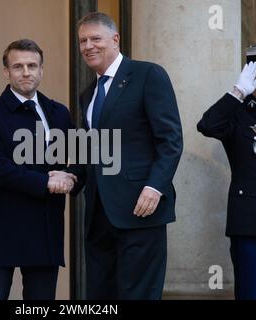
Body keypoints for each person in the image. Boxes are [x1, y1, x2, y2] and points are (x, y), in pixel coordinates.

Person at [67, 12, 183, 299]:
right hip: (99, 215)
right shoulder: (88, 94)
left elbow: (170, 139)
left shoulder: (147, 75)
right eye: (83, 40)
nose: (88, 46)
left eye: (96, 38)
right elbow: (91, 147)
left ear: (115, 39)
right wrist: (70, 175)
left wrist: (155, 186)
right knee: (100, 296)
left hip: (141, 210)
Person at [0, 39, 77, 300]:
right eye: (18, 66)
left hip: (45, 228)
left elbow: (75, 158)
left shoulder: (59, 113)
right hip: (1, 229)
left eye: (32, 65)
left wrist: (72, 177)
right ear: (6, 72)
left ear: (42, 70)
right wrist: (45, 183)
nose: (26, 72)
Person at [197, 44, 256, 300]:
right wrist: (237, 92)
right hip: (252, 226)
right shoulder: (238, 113)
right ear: (254, 76)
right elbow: (207, 125)